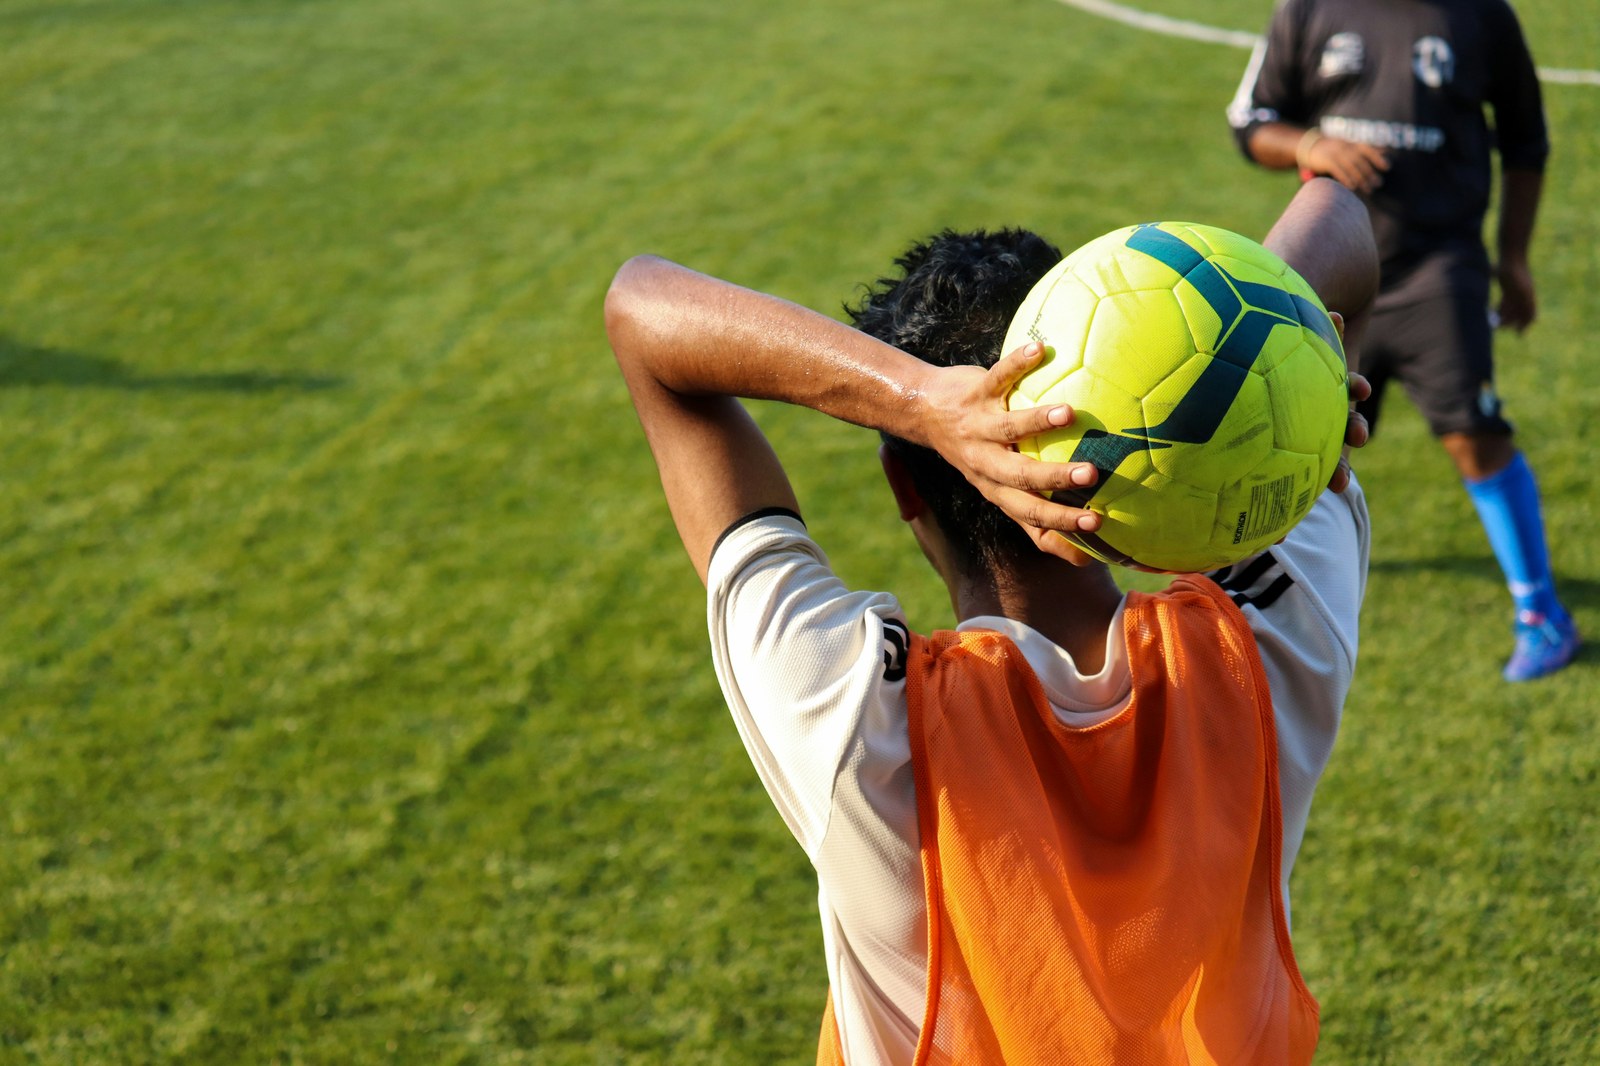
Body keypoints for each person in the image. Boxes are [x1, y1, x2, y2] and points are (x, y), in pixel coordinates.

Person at [606, 178, 1376, 1064]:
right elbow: (1338, 211)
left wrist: (919, 403)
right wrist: (1287, 356)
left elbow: (642, 309)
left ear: (906, 490)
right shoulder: (1272, 638)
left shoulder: (856, 714)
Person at [1226, 0, 1578, 681]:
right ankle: (1233, 615)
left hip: (1438, 271)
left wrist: (1514, 259)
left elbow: (1527, 141)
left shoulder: (1482, 16)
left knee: (1471, 430)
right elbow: (1250, 123)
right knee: (1291, 443)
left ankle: (1542, 615)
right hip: (1328, 272)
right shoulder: (1307, 8)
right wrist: (1309, 146)